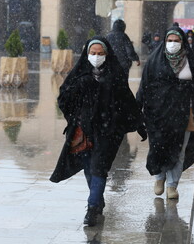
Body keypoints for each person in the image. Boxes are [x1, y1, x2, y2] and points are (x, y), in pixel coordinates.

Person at [50, 36, 147, 227]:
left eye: (100, 54)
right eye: (93, 53)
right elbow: (64, 98)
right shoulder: (79, 75)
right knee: (89, 167)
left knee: (99, 167)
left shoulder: (115, 74)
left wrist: (139, 124)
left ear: (106, 54)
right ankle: (97, 199)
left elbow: (127, 100)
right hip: (84, 129)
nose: (96, 57)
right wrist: (76, 110)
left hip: (108, 131)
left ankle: (92, 208)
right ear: (87, 54)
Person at [136, 26, 194, 199]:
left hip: (183, 111)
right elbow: (144, 86)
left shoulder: (190, 60)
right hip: (158, 113)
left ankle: (172, 185)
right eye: (170, 41)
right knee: (158, 146)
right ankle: (159, 177)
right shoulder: (155, 60)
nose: (173, 44)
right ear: (164, 41)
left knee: (179, 149)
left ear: (182, 42)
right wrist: (136, 110)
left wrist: (188, 85)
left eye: (176, 41)